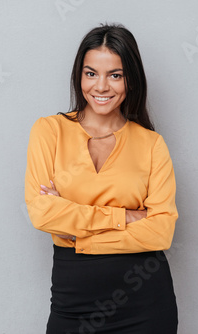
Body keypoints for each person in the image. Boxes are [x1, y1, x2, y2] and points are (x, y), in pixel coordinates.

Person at [24, 23, 179, 334]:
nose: (101, 86)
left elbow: (161, 232)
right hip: (73, 304)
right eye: (91, 73)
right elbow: (42, 212)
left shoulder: (151, 144)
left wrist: (79, 236)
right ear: (79, 76)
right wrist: (126, 217)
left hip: (145, 304)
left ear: (131, 80)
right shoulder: (49, 131)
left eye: (115, 75)